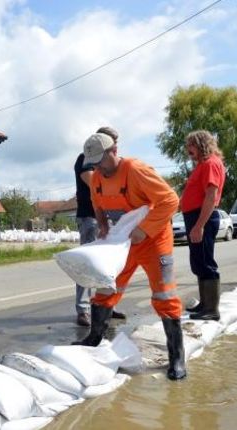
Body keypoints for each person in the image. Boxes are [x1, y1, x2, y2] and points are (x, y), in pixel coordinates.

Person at [73, 132, 186, 381]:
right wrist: (102, 225)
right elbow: (97, 203)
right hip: (123, 241)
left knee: (164, 294)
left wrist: (144, 230)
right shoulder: (97, 178)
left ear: (114, 151)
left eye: (101, 161)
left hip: (154, 240)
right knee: (105, 287)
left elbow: (170, 200)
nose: (98, 168)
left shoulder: (135, 170)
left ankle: (177, 357)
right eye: (93, 164)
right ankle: (94, 338)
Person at [73, 126, 127, 327]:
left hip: (108, 216)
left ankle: (107, 305)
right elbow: (92, 182)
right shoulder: (84, 159)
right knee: (88, 264)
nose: (116, 146)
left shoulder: (112, 163)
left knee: (108, 264)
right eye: (113, 141)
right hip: (90, 216)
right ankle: (83, 309)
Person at [180, 130, 226, 321]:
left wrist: (199, 225)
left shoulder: (210, 164)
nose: (188, 149)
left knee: (206, 262)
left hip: (202, 218)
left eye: (191, 145)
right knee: (199, 262)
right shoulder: (203, 165)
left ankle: (212, 310)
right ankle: (205, 304)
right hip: (195, 217)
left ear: (201, 145)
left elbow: (210, 196)